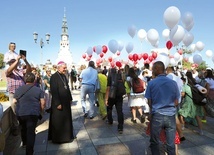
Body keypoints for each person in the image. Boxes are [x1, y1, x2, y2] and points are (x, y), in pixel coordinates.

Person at [145, 61, 180, 155]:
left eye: (153, 69)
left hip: (157, 115)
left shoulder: (151, 83)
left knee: (155, 142)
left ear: (157, 69)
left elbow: (149, 102)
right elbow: (177, 101)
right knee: (170, 143)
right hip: (171, 115)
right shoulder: (173, 83)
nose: (152, 70)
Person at [13, 72, 45, 155]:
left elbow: (14, 101)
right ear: (34, 80)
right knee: (31, 132)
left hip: (21, 113)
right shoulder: (38, 90)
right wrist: (41, 111)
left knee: (23, 128)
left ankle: (24, 143)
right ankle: (29, 151)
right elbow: (43, 103)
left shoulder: (18, 90)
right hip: (32, 113)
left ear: (24, 80)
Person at [48, 61, 75, 143]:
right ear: (58, 67)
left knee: (66, 120)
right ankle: (59, 138)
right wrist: (58, 103)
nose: (65, 69)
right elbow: (54, 91)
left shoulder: (64, 76)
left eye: (65, 68)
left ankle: (67, 137)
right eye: (64, 68)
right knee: (58, 121)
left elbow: (67, 88)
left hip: (66, 101)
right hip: (59, 102)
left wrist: (70, 98)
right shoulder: (54, 77)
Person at [5, 54, 31, 136]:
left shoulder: (20, 71)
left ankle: (24, 125)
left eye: (15, 62)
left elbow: (29, 70)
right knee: (14, 111)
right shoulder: (8, 71)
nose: (14, 64)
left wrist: (25, 60)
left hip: (22, 94)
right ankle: (16, 127)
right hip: (13, 94)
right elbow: (9, 70)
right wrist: (17, 60)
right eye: (12, 62)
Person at [105, 68, 124, 134]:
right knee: (119, 111)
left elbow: (108, 88)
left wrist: (106, 99)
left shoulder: (110, 76)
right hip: (119, 95)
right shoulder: (120, 75)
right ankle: (120, 127)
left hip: (111, 96)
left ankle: (110, 120)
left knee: (109, 108)